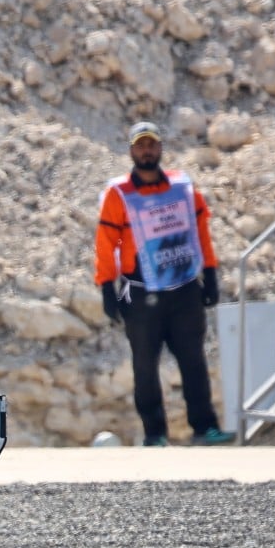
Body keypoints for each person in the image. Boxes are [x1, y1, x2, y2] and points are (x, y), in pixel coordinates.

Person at [95, 121, 235, 446]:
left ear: (160, 148)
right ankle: (154, 434)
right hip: (141, 295)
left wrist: (210, 274)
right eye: (141, 145)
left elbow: (200, 233)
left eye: (152, 144)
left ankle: (205, 428)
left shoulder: (182, 187)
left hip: (185, 289)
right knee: (145, 367)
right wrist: (106, 287)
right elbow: (105, 243)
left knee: (194, 362)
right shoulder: (118, 194)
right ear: (131, 150)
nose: (147, 150)